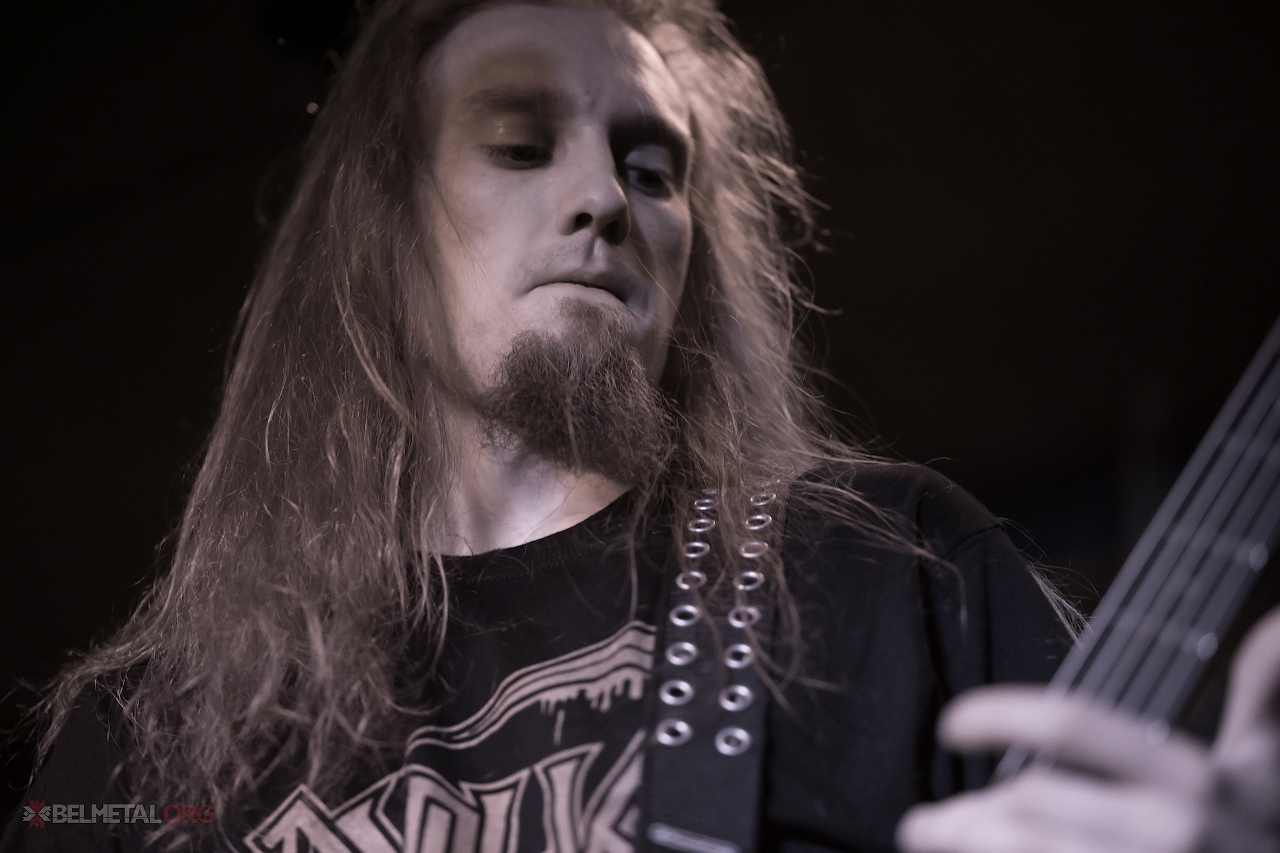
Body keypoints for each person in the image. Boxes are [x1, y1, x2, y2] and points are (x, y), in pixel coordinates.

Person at [0, 1, 1273, 852]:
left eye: (653, 169)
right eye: (518, 146)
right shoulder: (136, 742)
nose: (603, 198)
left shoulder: (884, 566)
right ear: (378, 234)